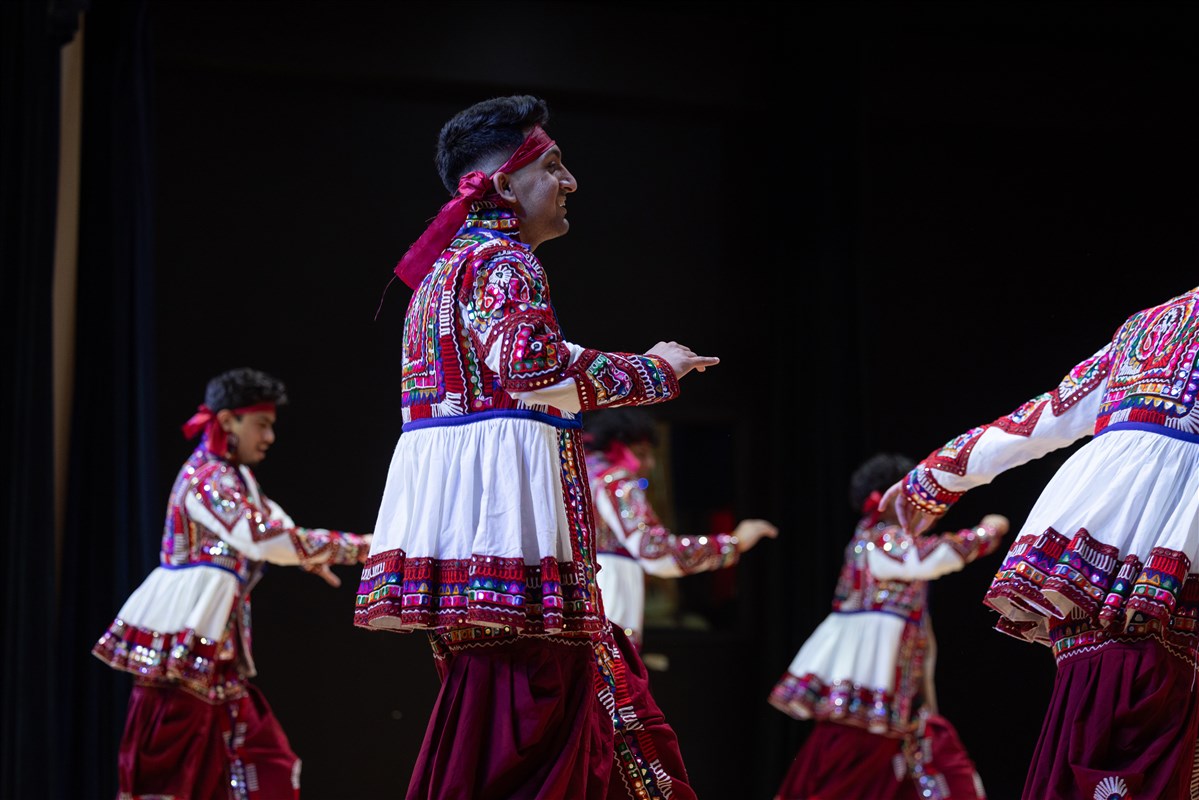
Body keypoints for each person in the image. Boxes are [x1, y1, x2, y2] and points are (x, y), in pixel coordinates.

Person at [353, 94, 718, 800]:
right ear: (502, 183)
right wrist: (653, 372)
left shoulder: (444, 272)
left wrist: (653, 364)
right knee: (541, 728)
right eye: (552, 167)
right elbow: (532, 372)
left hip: (470, 538)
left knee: (507, 724)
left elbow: (527, 362)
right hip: (511, 537)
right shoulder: (505, 261)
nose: (569, 181)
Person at [878, 283, 1199, 800]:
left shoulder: (1148, 323)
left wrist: (936, 476)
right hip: (1165, 539)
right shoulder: (1150, 325)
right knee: (1135, 729)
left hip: (1103, 531)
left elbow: (1047, 415)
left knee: (1111, 725)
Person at [92, 367, 371, 799]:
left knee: (259, 767)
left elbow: (278, 528)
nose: (269, 437)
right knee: (172, 775)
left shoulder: (236, 478)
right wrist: (357, 548)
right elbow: (261, 537)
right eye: (261, 424)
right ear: (227, 421)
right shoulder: (206, 479)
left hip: (216, 656)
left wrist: (308, 557)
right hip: (185, 643)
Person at [768, 452, 1006, 800]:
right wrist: (988, 531)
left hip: (894, 698)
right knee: (853, 771)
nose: (928, 505)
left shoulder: (877, 538)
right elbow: (927, 558)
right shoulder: (880, 538)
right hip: (871, 687)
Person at [582, 406, 778, 647]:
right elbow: (654, 552)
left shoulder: (581, 477)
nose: (650, 463)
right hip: (609, 600)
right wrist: (733, 542)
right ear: (617, 447)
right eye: (641, 453)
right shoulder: (616, 480)